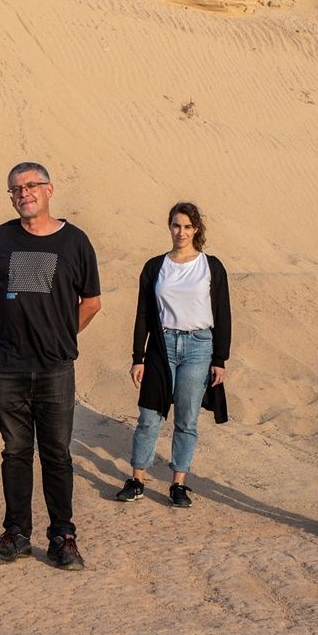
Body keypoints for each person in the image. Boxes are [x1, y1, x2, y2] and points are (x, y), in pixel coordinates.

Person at [0, 162, 101, 571]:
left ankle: (63, 536)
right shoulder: (0, 238)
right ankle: (16, 534)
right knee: (15, 451)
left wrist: (64, 337)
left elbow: (91, 302)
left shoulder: (75, 242)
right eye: (15, 189)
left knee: (56, 453)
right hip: (8, 366)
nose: (23, 193)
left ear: (49, 190)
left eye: (31, 186)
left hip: (54, 369)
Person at [115, 202, 231, 508]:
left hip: (198, 347)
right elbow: (142, 313)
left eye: (188, 226)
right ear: (169, 227)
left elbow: (222, 313)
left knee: (187, 419)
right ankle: (137, 479)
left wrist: (220, 359)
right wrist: (137, 356)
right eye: (176, 225)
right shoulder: (155, 266)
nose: (181, 232)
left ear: (197, 230)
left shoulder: (211, 266)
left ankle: (179, 484)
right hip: (161, 346)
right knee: (149, 416)